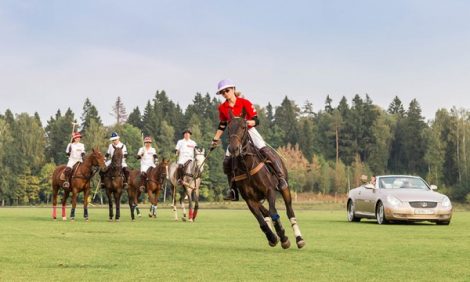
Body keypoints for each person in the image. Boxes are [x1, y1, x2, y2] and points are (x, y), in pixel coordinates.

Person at [210, 79, 288, 201]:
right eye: (222, 92)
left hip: (248, 130)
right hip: (234, 136)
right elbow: (222, 124)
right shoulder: (222, 108)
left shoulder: (244, 102)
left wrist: (246, 123)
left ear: (233, 89)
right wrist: (215, 138)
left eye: (227, 90)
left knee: (265, 150)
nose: (225, 93)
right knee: (226, 162)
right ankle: (233, 190)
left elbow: (256, 120)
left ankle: (281, 177)